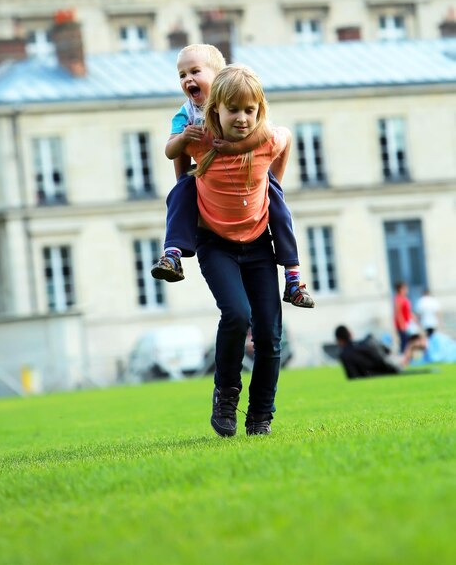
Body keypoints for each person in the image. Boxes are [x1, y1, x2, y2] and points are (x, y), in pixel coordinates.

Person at [167, 64, 307, 436]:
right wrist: (185, 186)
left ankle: (261, 414)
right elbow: (176, 161)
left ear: (259, 111)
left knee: (268, 334)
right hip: (216, 244)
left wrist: (273, 182)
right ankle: (226, 395)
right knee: (236, 314)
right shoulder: (200, 140)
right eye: (234, 110)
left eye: (250, 110)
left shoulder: (266, 141)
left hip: (259, 245)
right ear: (216, 111)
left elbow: (287, 137)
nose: (242, 119)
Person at [151, 43, 314, 308]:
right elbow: (171, 151)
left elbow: (268, 133)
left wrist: (237, 148)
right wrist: (183, 139)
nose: (187, 79)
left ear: (219, 79)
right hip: (208, 182)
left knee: (279, 208)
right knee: (180, 193)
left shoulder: (239, 104)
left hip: (253, 178)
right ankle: (173, 254)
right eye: (182, 75)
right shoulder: (186, 113)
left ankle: (293, 277)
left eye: (195, 71)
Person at [334, 325, 400, 379]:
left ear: (339, 340)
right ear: (350, 334)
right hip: (389, 370)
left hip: (375, 376)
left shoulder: (345, 354)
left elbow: (354, 377)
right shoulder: (366, 344)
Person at [393, 281, 414, 353]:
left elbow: (408, 312)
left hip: (407, 324)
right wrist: (402, 324)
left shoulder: (405, 298)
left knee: (409, 341)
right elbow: (398, 313)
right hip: (402, 325)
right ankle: (403, 357)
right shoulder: (398, 299)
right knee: (404, 342)